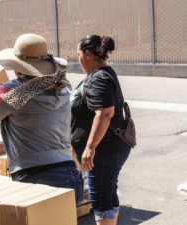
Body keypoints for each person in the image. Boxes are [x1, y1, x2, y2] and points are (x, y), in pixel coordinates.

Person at [0, 33, 84, 205]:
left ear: (18, 65)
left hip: (37, 175)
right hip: (69, 172)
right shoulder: (62, 88)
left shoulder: (17, 92)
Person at [72, 35, 131, 225]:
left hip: (104, 151)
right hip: (109, 149)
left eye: (78, 53)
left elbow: (105, 113)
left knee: (101, 200)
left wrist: (90, 148)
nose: (78, 58)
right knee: (108, 194)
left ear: (88, 54)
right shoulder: (102, 74)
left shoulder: (99, 78)